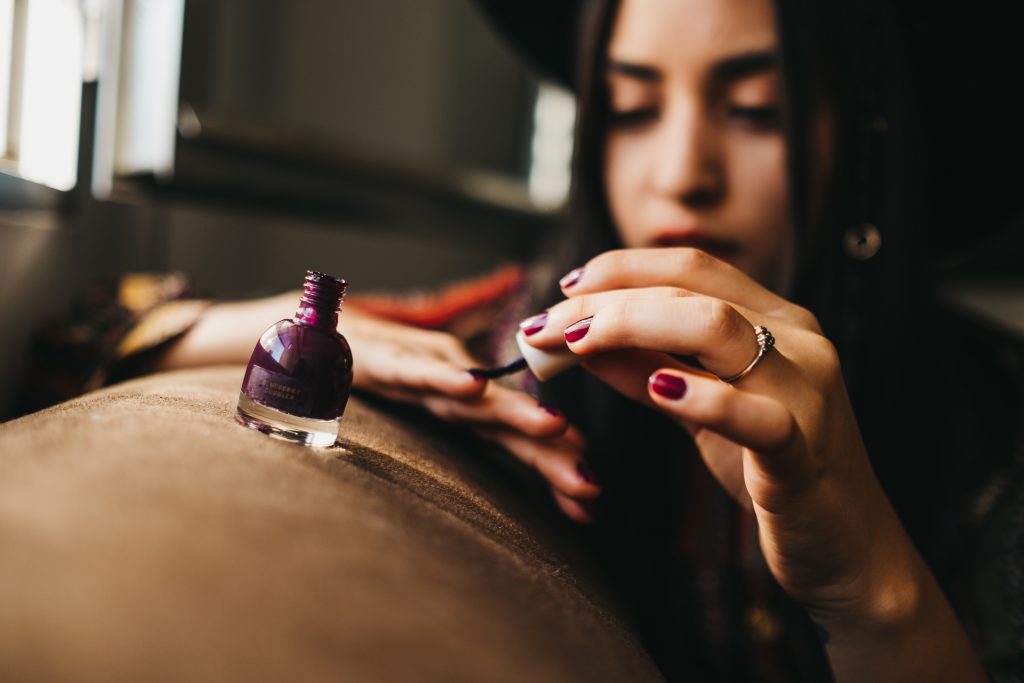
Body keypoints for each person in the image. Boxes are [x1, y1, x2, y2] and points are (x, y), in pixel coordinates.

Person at [18, 0, 1022, 680]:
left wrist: (870, 586)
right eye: (631, 107)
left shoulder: (994, 440)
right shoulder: (524, 338)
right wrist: (279, 327)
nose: (680, 173)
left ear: (867, 136)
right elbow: (71, 331)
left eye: (756, 109)